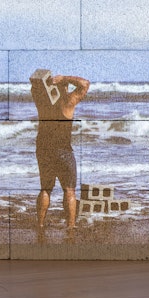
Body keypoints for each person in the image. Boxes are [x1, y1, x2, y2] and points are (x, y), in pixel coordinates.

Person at [30, 70, 90, 232]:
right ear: (64, 88)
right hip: (62, 150)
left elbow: (34, 86)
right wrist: (64, 78)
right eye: (67, 86)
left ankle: (40, 224)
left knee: (45, 188)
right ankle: (70, 226)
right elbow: (85, 83)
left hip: (43, 149)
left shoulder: (41, 102)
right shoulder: (68, 101)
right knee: (69, 190)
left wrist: (44, 82)